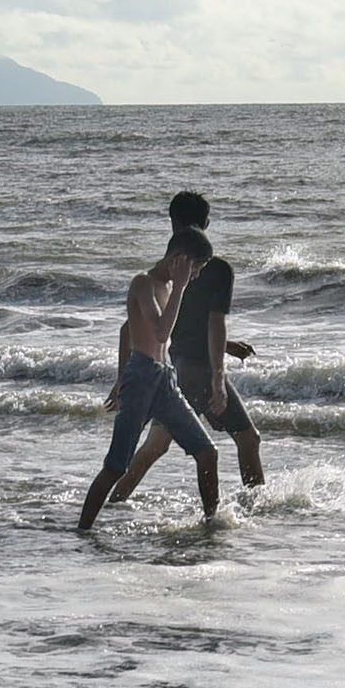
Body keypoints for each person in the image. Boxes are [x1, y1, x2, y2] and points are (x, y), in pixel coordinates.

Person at [80, 216, 221, 530]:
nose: (195, 276)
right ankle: (83, 531)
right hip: (142, 377)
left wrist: (119, 377)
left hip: (165, 379)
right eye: (194, 268)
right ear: (178, 260)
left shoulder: (171, 285)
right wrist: (124, 377)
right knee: (117, 466)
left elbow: (127, 330)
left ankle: (212, 524)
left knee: (207, 452)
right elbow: (158, 332)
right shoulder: (143, 282)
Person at [159, 191, 267, 493]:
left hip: (177, 364)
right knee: (247, 439)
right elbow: (213, 322)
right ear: (207, 222)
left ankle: (115, 500)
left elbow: (176, 325)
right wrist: (218, 379)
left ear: (172, 223)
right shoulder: (216, 269)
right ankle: (252, 506)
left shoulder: (165, 269)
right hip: (201, 368)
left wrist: (227, 345)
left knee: (156, 447)